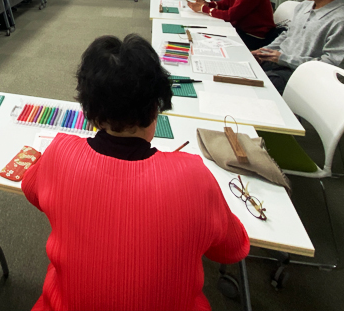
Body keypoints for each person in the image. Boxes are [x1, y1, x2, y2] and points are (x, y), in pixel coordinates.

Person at [22, 34, 249, 311]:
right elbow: (231, 249)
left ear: (90, 112)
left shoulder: (59, 153)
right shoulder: (194, 175)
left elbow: (31, 190)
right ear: (156, 107)